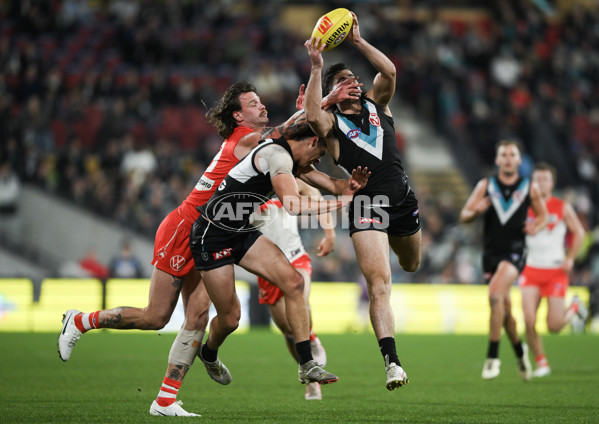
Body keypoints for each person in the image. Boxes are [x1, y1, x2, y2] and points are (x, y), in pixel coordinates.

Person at [58, 81, 358, 417]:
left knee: (200, 316)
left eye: (260, 101)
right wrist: (323, 101)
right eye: (253, 103)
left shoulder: (263, 143)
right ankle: (82, 320)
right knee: (156, 317)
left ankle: (166, 399)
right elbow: (290, 134)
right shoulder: (247, 138)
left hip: (223, 227)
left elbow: (291, 137)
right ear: (238, 114)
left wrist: (318, 108)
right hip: (186, 227)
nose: (261, 106)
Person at [189, 124, 369, 397]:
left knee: (294, 283)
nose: (318, 160)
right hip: (212, 234)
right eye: (320, 152)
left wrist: (352, 187)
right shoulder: (277, 156)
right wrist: (341, 203)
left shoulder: (291, 160)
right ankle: (208, 352)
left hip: (241, 233)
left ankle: (307, 364)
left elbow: (331, 185)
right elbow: (295, 204)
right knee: (230, 319)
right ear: (311, 141)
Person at [303, 11, 421, 391]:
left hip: (401, 198)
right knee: (380, 283)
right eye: (343, 81)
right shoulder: (331, 125)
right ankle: (392, 362)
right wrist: (319, 69)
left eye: (352, 78)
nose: (352, 83)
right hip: (365, 205)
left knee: (412, 263)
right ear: (333, 94)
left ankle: (392, 358)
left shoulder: (377, 104)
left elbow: (389, 72)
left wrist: (356, 41)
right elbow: (310, 113)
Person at [460, 139, 548, 381]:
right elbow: (464, 214)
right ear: (497, 160)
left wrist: (535, 227)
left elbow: (543, 216)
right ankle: (521, 353)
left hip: (515, 252)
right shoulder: (486, 185)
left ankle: (492, 358)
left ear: (519, 160)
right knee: (505, 312)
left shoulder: (529, 187)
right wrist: (476, 210)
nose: (508, 158)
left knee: (495, 295)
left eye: (512, 154)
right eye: (504, 155)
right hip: (490, 255)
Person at [251, 178, 334, 400]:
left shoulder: (282, 178)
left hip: (296, 258)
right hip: (267, 268)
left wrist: (329, 232)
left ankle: (311, 339)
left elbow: (312, 190)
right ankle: (309, 375)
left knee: (300, 298)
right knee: (289, 331)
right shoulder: (242, 191)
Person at [519, 162, 588, 377]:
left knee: (554, 326)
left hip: (555, 270)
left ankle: (575, 307)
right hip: (530, 270)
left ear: (552, 183)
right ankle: (542, 363)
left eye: (544, 179)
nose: (540, 183)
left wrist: (570, 258)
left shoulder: (561, 206)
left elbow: (579, 233)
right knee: (529, 320)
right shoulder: (525, 206)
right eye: (536, 179)